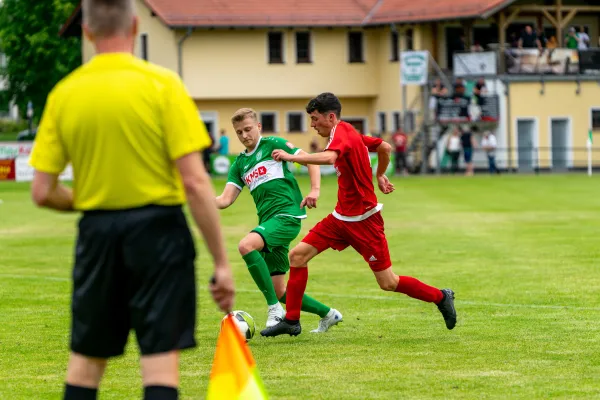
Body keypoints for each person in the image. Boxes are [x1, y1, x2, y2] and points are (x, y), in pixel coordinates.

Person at [28, 1, 235, 399]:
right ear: (136, 24)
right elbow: (194, 181)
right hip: (160, 233)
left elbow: (42, 191)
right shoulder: (164, 85)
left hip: (97, 233)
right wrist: (222, 263)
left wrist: (91, 198)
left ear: (87, 31)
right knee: (159, 361)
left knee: (86, 362)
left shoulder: (64, 93)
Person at [262, 92, 457, 337]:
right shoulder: (348, 133)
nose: (312, 125)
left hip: (365, 221)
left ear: (330, 117)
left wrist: (293, 157)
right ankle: (291, 320)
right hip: (340, 218)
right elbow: (384, 147)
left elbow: (330, 157)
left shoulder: (342, 133)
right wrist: (380, 174)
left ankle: (441, 297)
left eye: (314, 119)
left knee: (388, 283)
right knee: (298, 256)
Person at [215, 108, 342, 332]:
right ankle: (329, 314)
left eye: (247, 129)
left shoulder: (274, 144)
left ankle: (274, 309)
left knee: (246, 245)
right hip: (268, 221)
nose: (244, 135)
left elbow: (310, 161)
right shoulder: (239, 165)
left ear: (258, 127)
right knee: (280, 290)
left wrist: (314, 190)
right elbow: (225, 200)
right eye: (239, 132)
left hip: (287, 215)